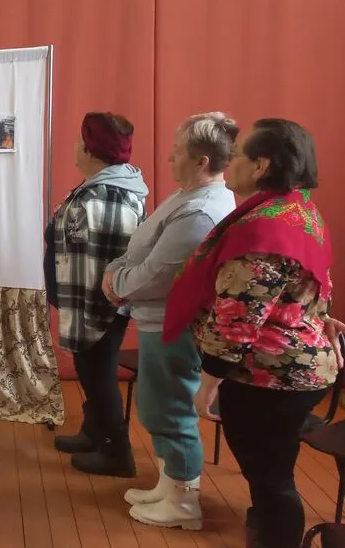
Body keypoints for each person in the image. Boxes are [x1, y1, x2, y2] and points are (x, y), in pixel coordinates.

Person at [164, 118, 345, 548]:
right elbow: (311, 281)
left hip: (270, 376)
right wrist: (318, 314)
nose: (229, 162)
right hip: (298, 366)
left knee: (272, 481)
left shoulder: (263, 227)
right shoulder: (299, 210)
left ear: (261, 165)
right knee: (270, 474)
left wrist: (207, 383)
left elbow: (237, 319)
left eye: (237, 155)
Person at [102, 113, 238, 529]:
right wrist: (118, 272)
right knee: (157, 405)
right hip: (157, 319)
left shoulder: (201, 211)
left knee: (170, 409)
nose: (169, 158)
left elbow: (159, 274)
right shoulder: (188, 196)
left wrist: (116, 283)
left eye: (177, 152)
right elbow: (142, 249)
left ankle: (183, 502)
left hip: (171, 323)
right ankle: (169, 485)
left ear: (201, 161)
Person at [46, 112, 148, 477]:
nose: (75, 145)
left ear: (90, 149)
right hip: (91, 300)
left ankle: (116, 452)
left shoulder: (109, 195)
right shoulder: (101, 187)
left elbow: (108, 259)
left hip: (99, 305)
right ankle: (93, 432)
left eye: (80, 140)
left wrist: (95, 310)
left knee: (97, 372)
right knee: (90, 368)